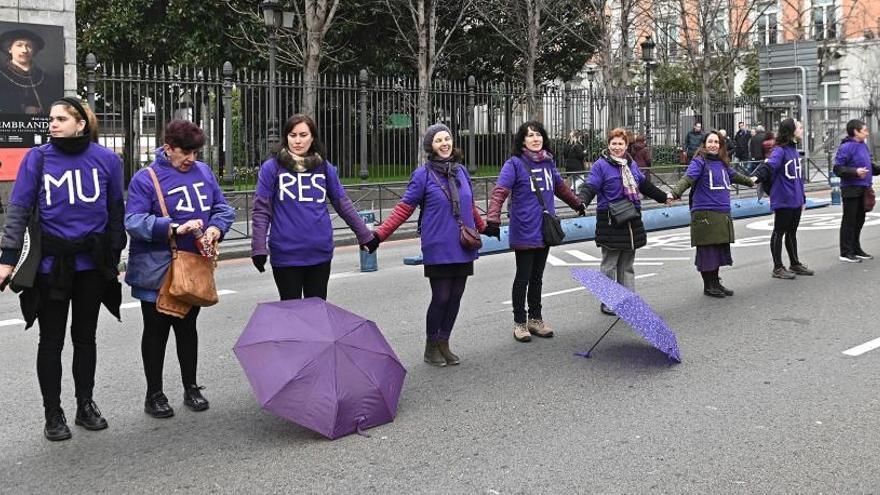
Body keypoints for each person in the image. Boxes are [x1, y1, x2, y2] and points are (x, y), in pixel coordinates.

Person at [0, 98, 125, 441]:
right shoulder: (37, 159)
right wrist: (7, 259)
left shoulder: (108, 160)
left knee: (85, 339)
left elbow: (116, 210)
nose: (52, 124)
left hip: (91, 267)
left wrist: (112, 257)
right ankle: (52, 413)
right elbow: (19, 209)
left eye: (60, 118)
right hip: (51, 267)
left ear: (81, 123)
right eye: (50, 118)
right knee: (51, 341)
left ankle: (85, 405)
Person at [124, 120, 235, 419]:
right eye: (185, 153)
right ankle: (154, 394)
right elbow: (133, 221)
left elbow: (222, 208)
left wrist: (215, 228)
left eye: (195, 153)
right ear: (168, 148)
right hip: (156, 268)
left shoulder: (203, 172)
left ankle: (191, 387)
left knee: (188, 329)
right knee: (156, 332)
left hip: (193, 266)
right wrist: (173, 227)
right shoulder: (146, 178)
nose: (191, 159)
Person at [373, 124, 485, 366]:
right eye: (438, 140)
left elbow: (470, 205)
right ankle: (431, 345)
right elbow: (404, 208)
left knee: (456, 296)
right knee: (441, 297)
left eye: (447, 139)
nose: (444, 143)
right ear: (430, 147)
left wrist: (484, 227)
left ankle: (444, 341)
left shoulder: (461, 171)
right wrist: (380, 234)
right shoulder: (423, 175)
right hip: (438, 245)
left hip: (464, 243)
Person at [251, 114, 377, 300]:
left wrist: (365, 235)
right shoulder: (272, 168)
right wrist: (258, 247)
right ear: (286, 137)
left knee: (317, 314)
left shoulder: (324, 167)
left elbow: (342, 203)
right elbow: (261, 210)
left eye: (303, 135)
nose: (298, 141)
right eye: (293, 135)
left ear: (312, 137)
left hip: (319, 252)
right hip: (286, 254)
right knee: (292, 315)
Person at [486, 121, 585, 340]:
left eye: (538, 134)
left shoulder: (548, 162)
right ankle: (520, 323)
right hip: (523, 227)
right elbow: (500, 192)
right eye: (529, 135)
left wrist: (577, 204)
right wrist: (492, 217)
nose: (534, 139)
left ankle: (536, 319)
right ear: (522, 140)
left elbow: (561, 188)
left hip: (544, 228)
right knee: (523, 276)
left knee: (538, 277)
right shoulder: (514, 164)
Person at [577, 128, 672, 315]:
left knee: (627, 263)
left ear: (626, 145)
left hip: (631, 219)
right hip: (611, 219)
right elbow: (591, 185)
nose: (617, 147)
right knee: (610, 263)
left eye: (621, 144)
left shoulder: (631, 164)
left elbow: (644, 185)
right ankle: (608, 301)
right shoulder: (600, 165)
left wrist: (663, 197)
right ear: (608, 145)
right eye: (614, 143)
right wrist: (582, 202)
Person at [670, 131, 757, 298]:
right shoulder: (699, 162)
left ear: (721, 145)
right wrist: (673, 193)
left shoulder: (722, 163)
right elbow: (687, 179)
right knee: (707, 252)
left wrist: (751, 181)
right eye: (710, 141)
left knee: (717, 250)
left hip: (722, 213)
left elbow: (735, 176)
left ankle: (715, 282)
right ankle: (708, 285)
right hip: (705, 213)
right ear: (704, 144)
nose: (713, 145)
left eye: (716, 142)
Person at [754, 119, 813, 279]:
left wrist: (803, 198)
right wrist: (756, 177)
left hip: (795, 199)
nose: (802, 130)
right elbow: (770, 165)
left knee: (792, 232)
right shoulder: (779, 151)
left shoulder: (794, 150)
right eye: (800, 127)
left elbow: (798, 179)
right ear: (791, 130)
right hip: (783, 199)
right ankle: (778, 267)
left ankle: (794, 263)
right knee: (779, 232)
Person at [833, 119, 880, 263]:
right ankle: (846, 251)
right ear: (855, 131)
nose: (867, 133)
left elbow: (870, 165)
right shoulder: (846, 147)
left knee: (859, 219)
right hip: (851, 188)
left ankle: (856, 248)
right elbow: (837, 168)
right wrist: (855, 171)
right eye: (864, 130)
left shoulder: (863, 146)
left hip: (864, 187)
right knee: (849, 220)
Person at [0, 29, 60, 114]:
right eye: (19, 45)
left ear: (34, 51)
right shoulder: (2, 75)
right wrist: (22, 109)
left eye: (29, 46)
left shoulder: (45, 78)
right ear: (9, 49)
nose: (24, 50)